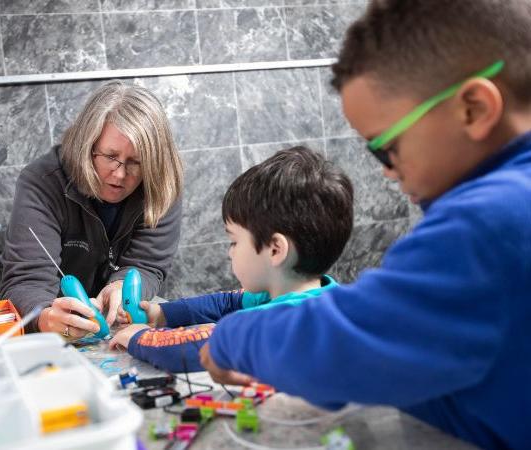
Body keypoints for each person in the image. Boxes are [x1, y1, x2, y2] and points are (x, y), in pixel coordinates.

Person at [198, 1, 531, 449]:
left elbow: (346, 345)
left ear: (473, 108)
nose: (387, 172)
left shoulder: (490, 221)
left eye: (385, 148)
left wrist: (230, 338)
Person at [109, 146, 354, 373]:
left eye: (235, 241)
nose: (230, 252)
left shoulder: (284, 323)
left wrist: (139, 337)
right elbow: (225, 304)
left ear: (275, 250)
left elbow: (199, 349)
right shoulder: (312, 294)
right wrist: (161, 313)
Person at [0, 81, 183, 337]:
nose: (119, 174)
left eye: (136, 162)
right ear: (87, 145)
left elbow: (147, 264)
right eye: (110, 156)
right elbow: (26, 280)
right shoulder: (42, 182)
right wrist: (44, 317)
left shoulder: (161, 182)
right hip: (56, 330)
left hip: (123, 326)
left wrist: (123, 287)